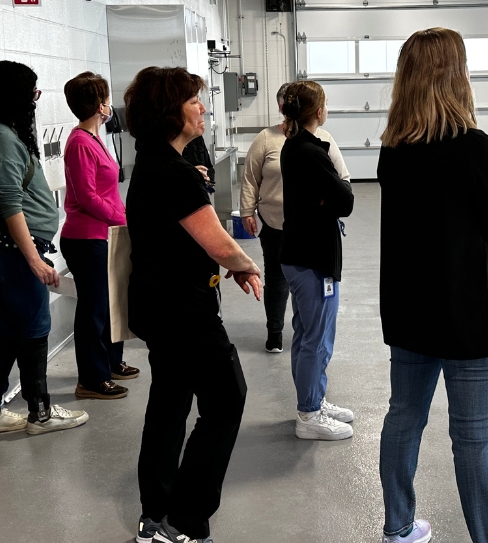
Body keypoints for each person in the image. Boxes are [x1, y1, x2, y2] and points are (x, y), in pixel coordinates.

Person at [376, 27, 488, 543]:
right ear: (456, 76)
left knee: (404, 418)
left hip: (411, 310)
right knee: (474, 439)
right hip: (467, 313)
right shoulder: (473, 148)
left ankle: (399, 527)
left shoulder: (394, 152)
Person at [124, 66, 263, 543]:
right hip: (184, 311)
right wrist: (246, 265)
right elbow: (220, 244)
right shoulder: (173, 172)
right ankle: (184, 519)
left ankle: (155, 513)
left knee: (169, 404)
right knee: (227, 397)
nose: (203, 108)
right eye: (193, 102)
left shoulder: (153, 161)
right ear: (170, 111)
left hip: (158, 307)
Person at [0, 61, 89, 436]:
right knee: (34, 327)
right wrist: (34, 260)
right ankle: (40, 413)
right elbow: (9, 203)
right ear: (14, 95)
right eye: (32, 93)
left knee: (11, 329)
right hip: (14, 252)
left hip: (7, 252)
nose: (34, 100)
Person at [241, 82, 350, 353]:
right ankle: (275, 332)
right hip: (274, 222)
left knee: (303, 294)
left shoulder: (320, 140)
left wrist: (333, 195)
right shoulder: (268, 139)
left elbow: (342, 178)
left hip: (307, 227)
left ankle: (299, 338)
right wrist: (247, 210)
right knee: (276, 281)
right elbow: (250, 177)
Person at [278, 80, 356, 441]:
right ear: (318, 111)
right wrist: (332, 195)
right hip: (312, 260)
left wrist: (330, 196)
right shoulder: (309, 152)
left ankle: (313, 399)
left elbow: (335, 197)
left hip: (302, 254)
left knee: (308, 334)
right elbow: (346, 199)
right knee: (316, 337)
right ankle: (309, 414)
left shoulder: (299, 147)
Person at [61, 71, 138, 401]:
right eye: (105, 98)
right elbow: (87, 197)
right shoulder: (79, 143)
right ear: (97, 105)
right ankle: (91, 378)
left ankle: (110, 360)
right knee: (93, 309)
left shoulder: (96, 138)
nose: (110, 105)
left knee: (111, 302)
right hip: (86, 237)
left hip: (105, 234)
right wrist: (124, 218)